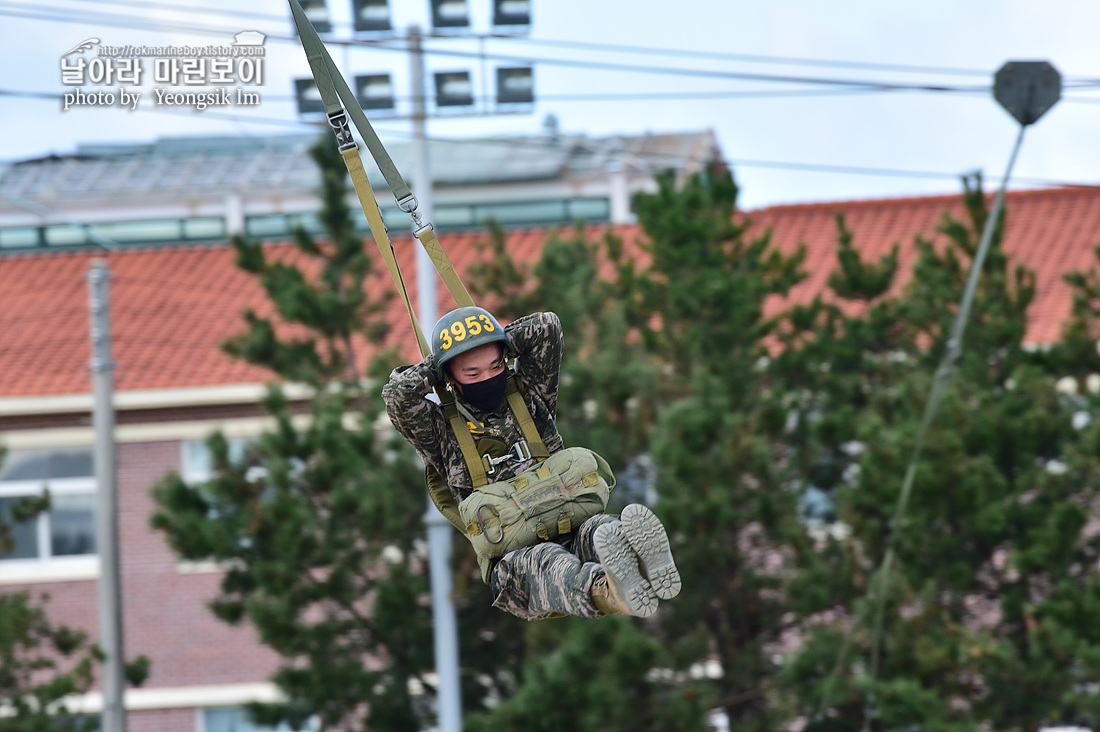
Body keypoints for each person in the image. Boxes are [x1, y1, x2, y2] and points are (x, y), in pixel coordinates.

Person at [382, 306, 681, 621]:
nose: (487, 378)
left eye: (495, 365)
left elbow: (547, 327)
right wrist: (439, 362)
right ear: (451, 378)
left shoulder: (529, 397)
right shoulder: (440, 432)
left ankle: (642, 563)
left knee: (602, 530)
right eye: (473, 373)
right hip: (516, 567)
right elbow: (399, 396)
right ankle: (610, 592)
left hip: (570, 525)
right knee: (550, 560)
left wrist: (493, 338)